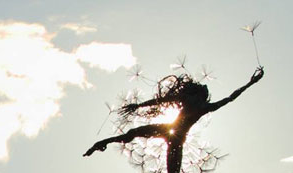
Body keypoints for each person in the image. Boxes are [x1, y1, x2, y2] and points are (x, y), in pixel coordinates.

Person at [83, 67, 264, 159]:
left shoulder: (202, 107)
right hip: (167, 129)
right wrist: (138, 106)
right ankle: (100, 143)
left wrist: (250, 83)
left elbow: (231, 98)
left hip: (177, 140)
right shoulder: (188, 100)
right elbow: (158, 101)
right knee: (133, 132)